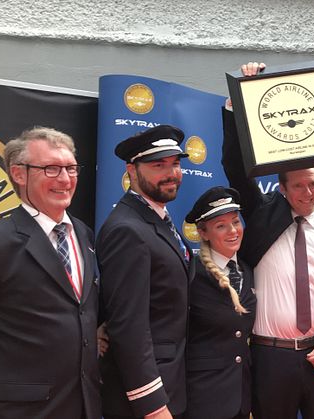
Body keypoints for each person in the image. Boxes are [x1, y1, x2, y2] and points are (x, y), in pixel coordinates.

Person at [221, 62, 314, 419]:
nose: (309, 192)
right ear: (281, 189)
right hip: (269, 359)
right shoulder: (263, 215)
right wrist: (239, 100)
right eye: (298, 185)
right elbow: (234, 165)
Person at [0, 127, 100, 418]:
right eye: (51, 169)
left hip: (84, 404)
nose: (66, 179)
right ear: (19, 174)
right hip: (20, 409)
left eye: (71, 168)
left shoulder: (84, 235)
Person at [97, 125, 193, 419]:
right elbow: (128, 326)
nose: (171, 173)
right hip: (145, 400)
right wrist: (151, 404)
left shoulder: (156, 218)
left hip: (171, 383)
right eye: (158, 165)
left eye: (175, 164)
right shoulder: (127, 229)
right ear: (132, 170)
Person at [184, 186, 256, 419]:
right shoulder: (191, 273)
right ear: (203, 233)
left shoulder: (248, 270)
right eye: (221, 226)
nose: (232, 231)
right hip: (203, 398)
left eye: (235, 221)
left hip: (242, 398)